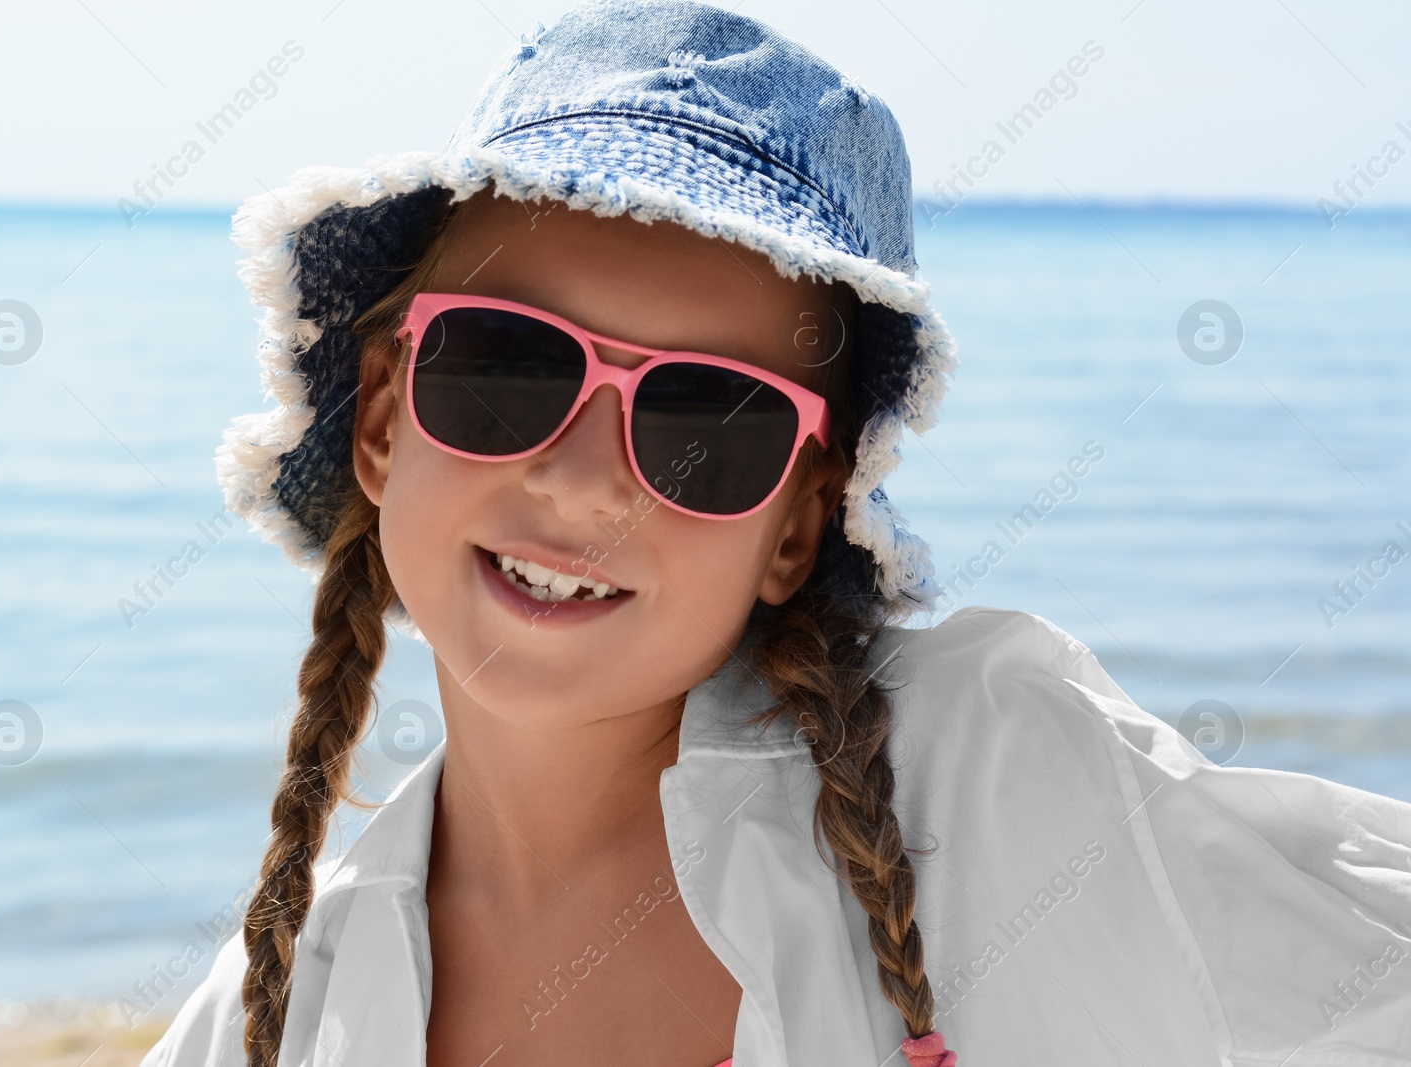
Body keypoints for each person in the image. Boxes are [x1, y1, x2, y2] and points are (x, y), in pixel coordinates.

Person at [140, 1, 1411, 1064]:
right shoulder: (275, 1010)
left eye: (711, 416)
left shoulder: (986, 769)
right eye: (506, 366)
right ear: (379, 418)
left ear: (797, 528)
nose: (586, 484)